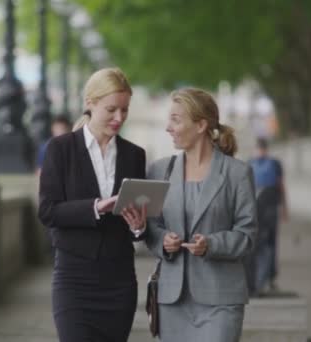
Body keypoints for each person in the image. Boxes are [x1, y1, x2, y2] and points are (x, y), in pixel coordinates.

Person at [38, 68, 147, 342]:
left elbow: (141, 228)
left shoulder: (135, 155)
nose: (119, 117)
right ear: (90, 102)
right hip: (74, 279)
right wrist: (97, 207)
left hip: (119, 280)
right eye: (111, 109)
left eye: (125, 110)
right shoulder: (60, 149)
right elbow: (48, 211)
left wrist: (139, 226)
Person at [145, 87, 257, 342]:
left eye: (175, 119)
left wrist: (211, 244)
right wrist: (163, 240)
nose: (168, 127)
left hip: (222, 299)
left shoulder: (237, 173)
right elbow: (150, 227)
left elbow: (247, 235)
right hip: (172, 300)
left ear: (200, 125)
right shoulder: (160, 170)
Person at [249, 137, 289, 294]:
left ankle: (267, 277)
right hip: (263, 209)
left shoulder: (270, 164)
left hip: (268, 209)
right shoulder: (256, 163)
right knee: (267, 244)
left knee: (268, 244)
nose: (260, 151)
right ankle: (265, 278)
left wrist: (285, 208)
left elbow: (281, 186)